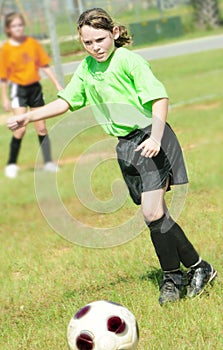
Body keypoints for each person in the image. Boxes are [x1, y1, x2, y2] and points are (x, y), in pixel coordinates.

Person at [7, 8, 217, 305]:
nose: (95, 47)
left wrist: (156, 137)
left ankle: (172, 278)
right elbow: (66, 101)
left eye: (100, 40)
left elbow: (159, 99)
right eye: (88, 43)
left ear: (115, 33)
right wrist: (29, 117)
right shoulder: (87, 67)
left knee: (152, 213)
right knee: (158, 216)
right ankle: (199, 267)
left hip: (150, 138)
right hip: (127, 146)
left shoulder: (129, 61)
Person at [0, 12, 63, 178]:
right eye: (14, 26)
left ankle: (48, 162)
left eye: (20, 25)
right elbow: (3, 77)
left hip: (34, 88)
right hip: (17, 90)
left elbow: (45, 65)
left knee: (41, 127)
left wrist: (57, 84)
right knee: (19, 128)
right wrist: (5, 98)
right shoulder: (5, 49)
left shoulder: (32, 44)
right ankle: (12, 164)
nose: (18, 28)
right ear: (8, 29)